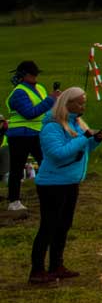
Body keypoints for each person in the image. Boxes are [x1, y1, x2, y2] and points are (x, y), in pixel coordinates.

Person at [28, 88, 102, 284]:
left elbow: (82, 150)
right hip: (52, 184)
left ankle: (56, 265)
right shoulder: (52, 127)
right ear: (66, 104)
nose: (82, 106)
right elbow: (58, 154)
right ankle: (37, 270)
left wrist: (94, 141)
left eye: (84, 102)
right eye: (79, 103)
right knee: (48, 226)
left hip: (70, 181)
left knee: (63, 225)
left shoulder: (76, 123)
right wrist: (83, 138)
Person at [7, 61, 54, 211]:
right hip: (20, 135)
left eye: (36, 74)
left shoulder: (40, 88)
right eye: (32, 74)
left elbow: (45, 109)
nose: (35, 77)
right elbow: (29, 113)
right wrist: (50, 100)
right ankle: (14, 201)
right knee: (17, 168)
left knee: (46, 163)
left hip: (37, 133)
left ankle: (49, 193)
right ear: (24, 75)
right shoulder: (19, 92)